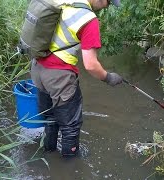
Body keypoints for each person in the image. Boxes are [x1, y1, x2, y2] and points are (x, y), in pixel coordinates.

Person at [30, 0, 123, 157]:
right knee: (70, 127)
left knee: (50, 118)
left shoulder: (64, 2)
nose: (106, 7)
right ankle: (70, 168)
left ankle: (48, 155)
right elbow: (91, 65)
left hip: (37, 69)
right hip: (59, 77)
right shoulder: (88, 19)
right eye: (108, 3)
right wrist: (109, 77)